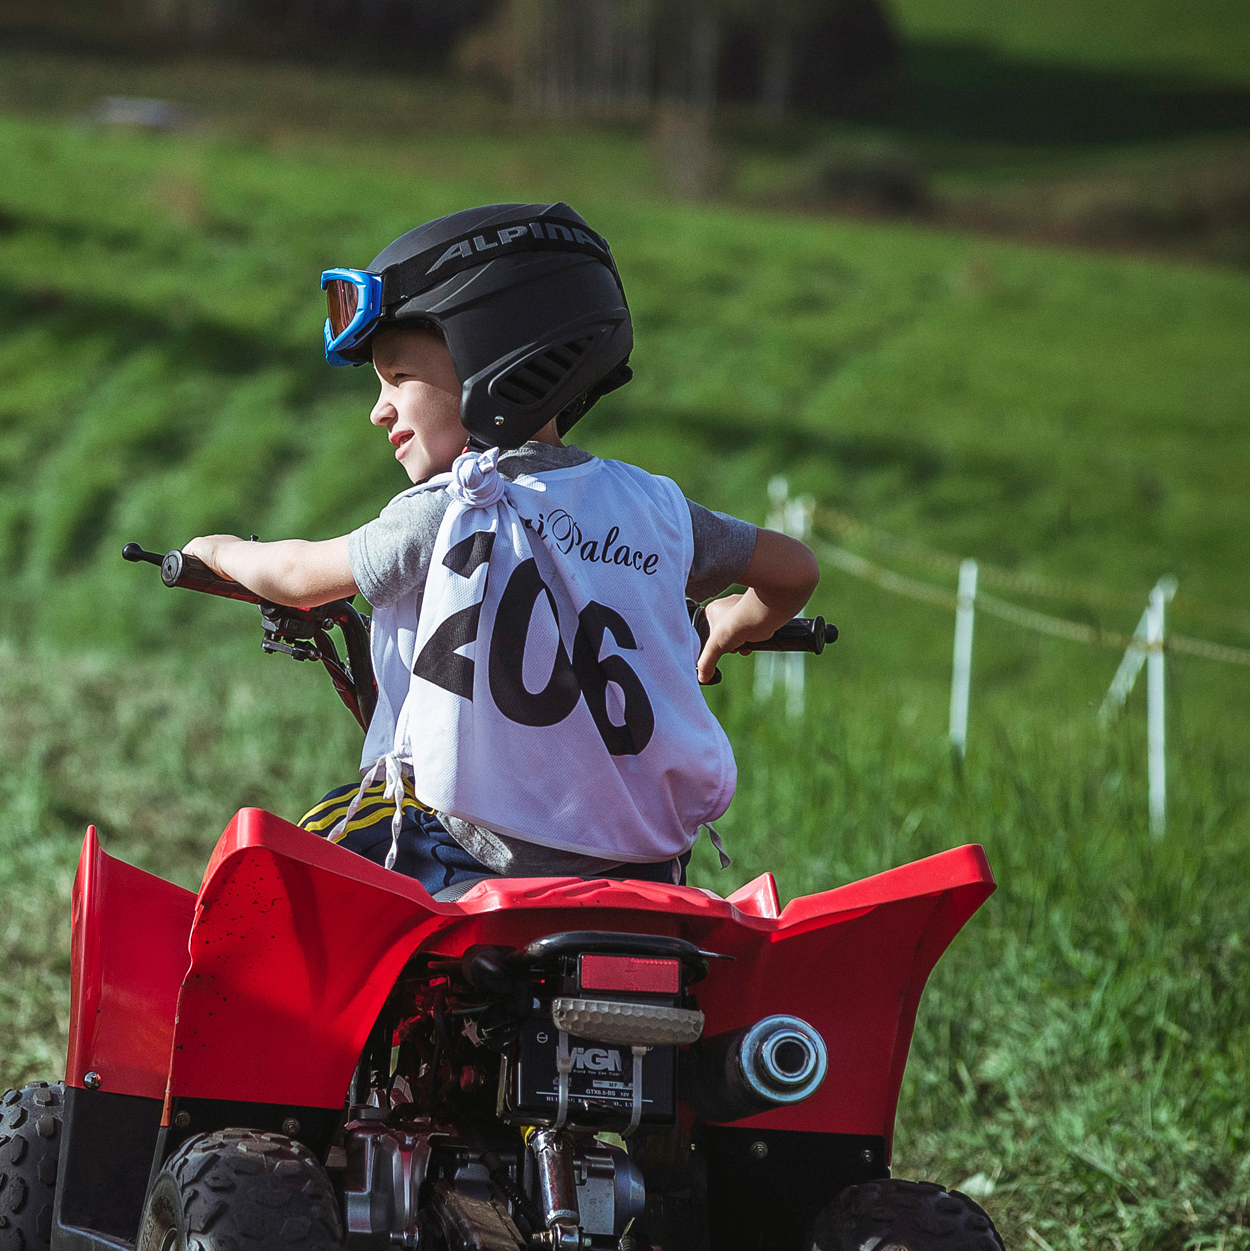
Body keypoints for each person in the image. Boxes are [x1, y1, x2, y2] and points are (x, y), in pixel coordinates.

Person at [179, 203, 817, 897]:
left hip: (473, 854)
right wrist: (734, 621)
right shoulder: (659, 511)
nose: (378, 408)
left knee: (303, 869)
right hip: (650, 868)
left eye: (397, 377)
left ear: (490, 349)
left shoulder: (452, 507)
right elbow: (794, 571)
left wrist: (217, 549)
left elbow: (301, 577)